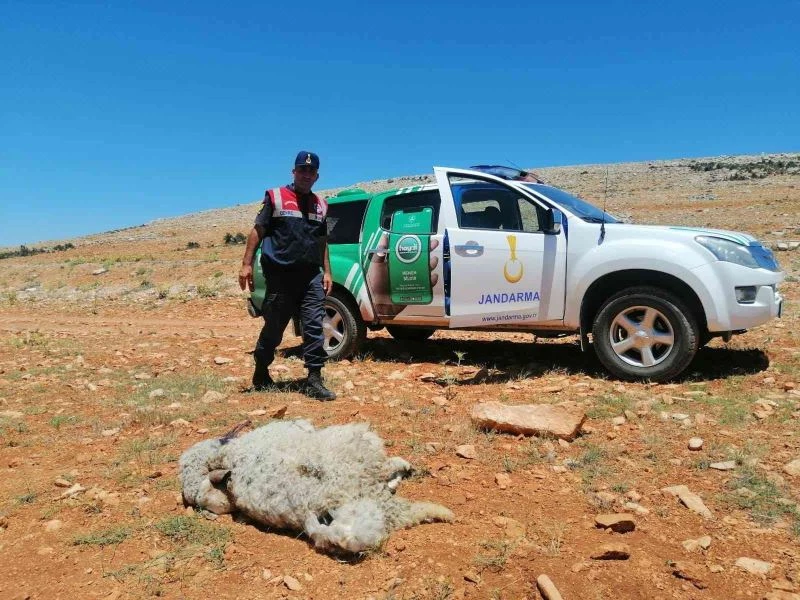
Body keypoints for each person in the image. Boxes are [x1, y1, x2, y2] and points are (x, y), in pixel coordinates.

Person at [238, 151, 336, 400]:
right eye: (301, 170)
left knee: (315, 325)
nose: (306, 174)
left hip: (310, 276)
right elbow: (258, 230)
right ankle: (261, 370)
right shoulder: (276, 197)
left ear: (316, 176)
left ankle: (314, 378)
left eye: (311, 171)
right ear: (294, 172)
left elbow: (323, 241)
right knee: (275, 327)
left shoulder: (321, 205)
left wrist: (327, 271)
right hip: (280, 275)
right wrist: (246, 263)